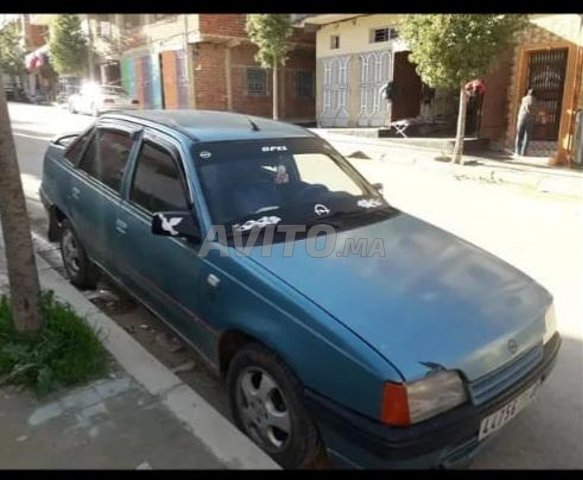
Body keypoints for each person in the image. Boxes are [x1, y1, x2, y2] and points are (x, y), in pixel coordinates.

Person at [515, 88, 537, 157]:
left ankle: (517, 151)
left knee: (519, 135)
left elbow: (525, 107)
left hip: (521, 118)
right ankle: (523, 152)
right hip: (530, 120)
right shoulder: (535, 100)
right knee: (527, 136)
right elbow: (531, 108)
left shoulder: (523, 99)